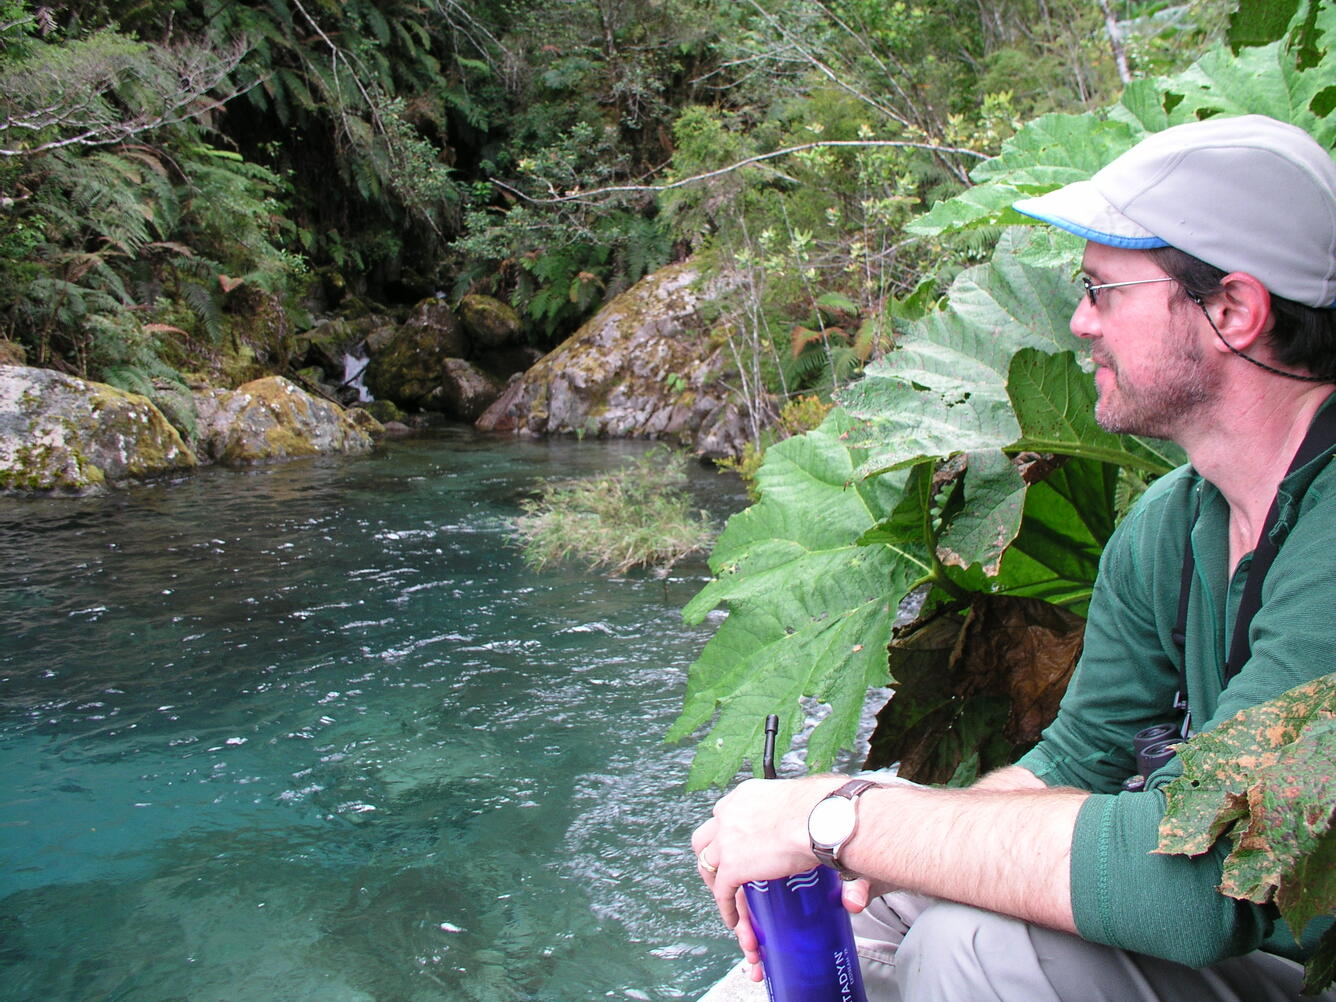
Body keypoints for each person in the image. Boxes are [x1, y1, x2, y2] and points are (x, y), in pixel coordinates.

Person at [691, 114, 1336, 1002]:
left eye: (1103, 290)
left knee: (981, 946)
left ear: (1231, 309)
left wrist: (835, 815)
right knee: (879, 908)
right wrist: (866, 848)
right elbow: (1072, 765)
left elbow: (1203, 889)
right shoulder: (1170, 524)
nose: (1079, 322)